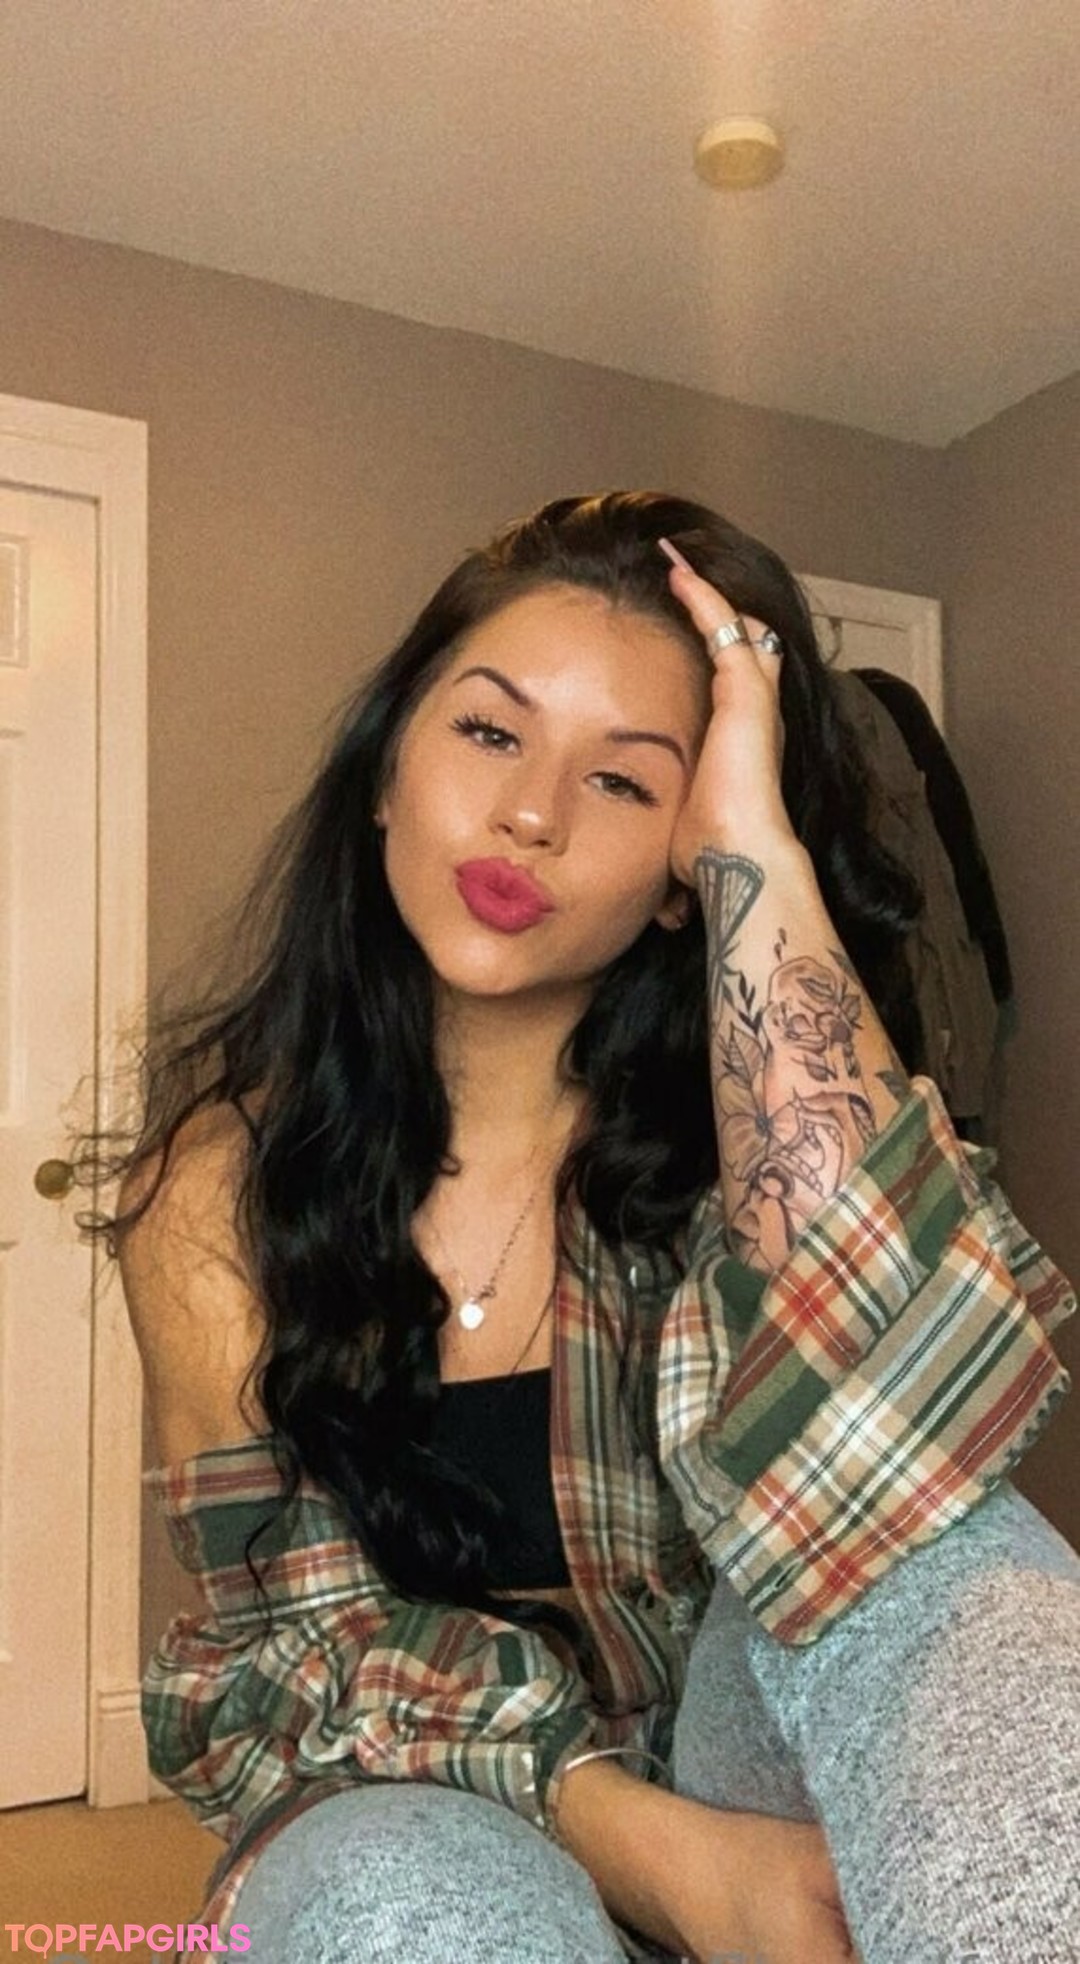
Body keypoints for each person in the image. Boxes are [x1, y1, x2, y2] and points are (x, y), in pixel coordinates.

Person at [103, 492, 1077, 1964]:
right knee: (413, 1901)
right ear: (385, 776)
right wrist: (655, 1853)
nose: (535, 815)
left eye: (626, 783)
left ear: (679, 877)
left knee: (949, 1564)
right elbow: (286, 1653)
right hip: (400, 1790)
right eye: (488, 733)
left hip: (726, 1760)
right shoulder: (214, 1191)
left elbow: (909, 1446)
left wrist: (755, 848)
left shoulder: (736, 1143)